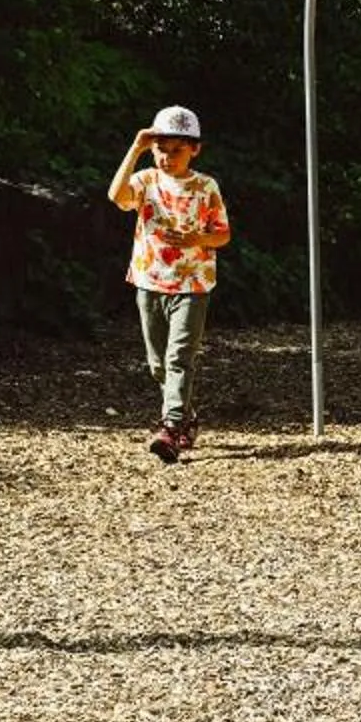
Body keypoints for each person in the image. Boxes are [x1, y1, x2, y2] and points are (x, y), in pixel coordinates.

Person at [108, 105, 231, 463]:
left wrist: (198, 239)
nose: (167, 157)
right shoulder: (146, 180)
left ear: (195, 149)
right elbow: (117, 197)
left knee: (179, 358)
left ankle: (172, 427)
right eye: (161, 148)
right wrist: (136, 148)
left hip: (192, 284)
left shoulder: (206, 186)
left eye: (177, 149)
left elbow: (223, 235)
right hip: (149, 279)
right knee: (158, 364)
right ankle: (187, 418)